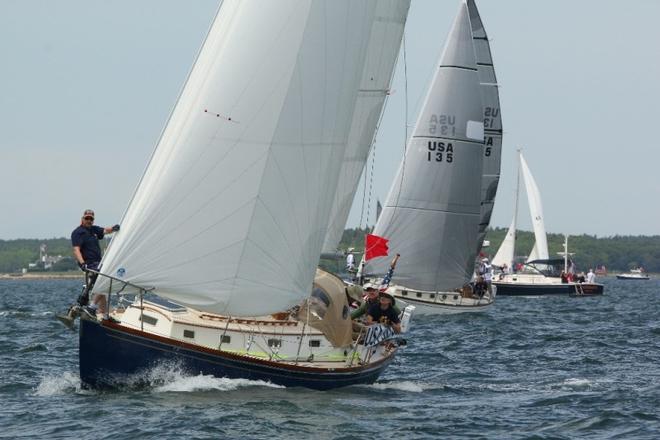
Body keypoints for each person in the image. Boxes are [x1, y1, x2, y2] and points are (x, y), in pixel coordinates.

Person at [71, 209, 120, 314]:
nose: (89, 220)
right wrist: (83, 263)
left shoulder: (93, 229)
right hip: (88, 263)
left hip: (98, 263)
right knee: (103, 281)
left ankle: (102, 311)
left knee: (101, 284)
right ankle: (92, 306)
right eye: (87, 218)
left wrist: (114, 228)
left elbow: (105, 231)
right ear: (82, 219)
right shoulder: (78, 232)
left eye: (91, 219)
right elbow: (76, 250)